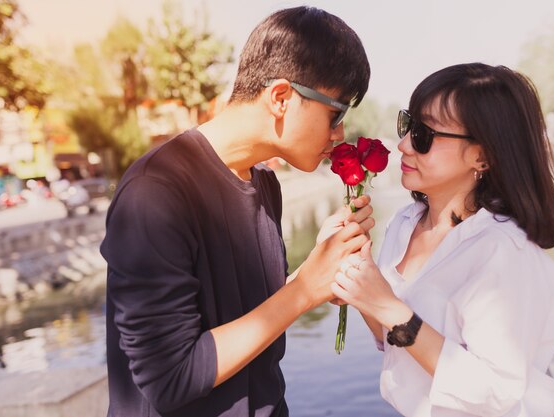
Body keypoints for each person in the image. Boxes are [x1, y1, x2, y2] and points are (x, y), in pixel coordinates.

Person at [100, 6, 373, 417]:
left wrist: (318, 271)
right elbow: (170, 379)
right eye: (336, 114)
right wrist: (303, 292)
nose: (340, 135)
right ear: (281, 97)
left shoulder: (264, 183)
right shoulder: (154, 194)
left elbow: (245, 315)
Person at [331, 63, 554, 417]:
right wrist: (355, 286)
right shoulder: (405, 222)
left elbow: (497, 392)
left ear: (483, 155)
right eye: (408, 125)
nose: (402, 145)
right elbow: (395, 342)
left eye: (424, 134)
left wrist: (387, 306)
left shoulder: (505, 252)